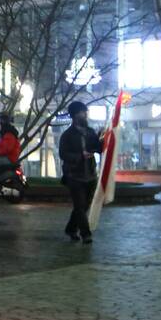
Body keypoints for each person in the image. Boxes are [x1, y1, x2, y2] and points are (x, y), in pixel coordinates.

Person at [59, 101, 102, 244]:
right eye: (83, 112)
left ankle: (71, 229)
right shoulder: (67, 135)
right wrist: (80, 156)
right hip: (74, 176)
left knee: (83, 206)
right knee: (79, 205)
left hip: (90, 174)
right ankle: (86, 234)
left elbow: (98, 147)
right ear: (76, 115)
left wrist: (103, 137)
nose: (86, 115)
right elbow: (63, 154)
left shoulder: (90, 132)